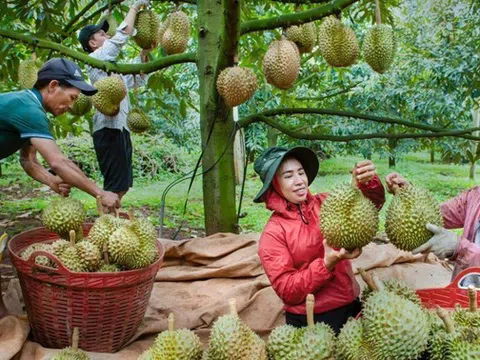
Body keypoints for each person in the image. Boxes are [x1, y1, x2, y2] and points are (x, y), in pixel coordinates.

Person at [0, 57, 120, 319]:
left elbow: (28, 160)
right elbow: (58, 161)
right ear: (53, 86)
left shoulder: (29, 108)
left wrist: (51, 181)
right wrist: (100, 192)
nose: (72, 105)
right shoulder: (29, 109)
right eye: (72, 97)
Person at [254, 146, 386, 334]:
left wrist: (365, 183)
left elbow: (368, 207)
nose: (299, 181)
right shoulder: (273, 234)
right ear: (275, 184)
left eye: (301, 172)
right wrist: (326, 264)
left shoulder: (326, 203)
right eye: (288, 176)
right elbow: (287, 290)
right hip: (311, 320)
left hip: (350, 305)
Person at [78, 0, 153, 206]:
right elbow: (121, 37)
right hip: (108, 131)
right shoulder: (96, 59)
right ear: (92, 44)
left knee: (124, 184)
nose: (107, 35)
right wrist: (135, 7)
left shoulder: (111, 69)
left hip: (120, 129)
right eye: (102, 34)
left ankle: (110, 220)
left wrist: (144, 54)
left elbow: (136, 80)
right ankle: (107, 224)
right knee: (114, 185)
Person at [385, 172, 480, 285]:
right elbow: (438, 215)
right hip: (463, 290)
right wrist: (410, 194)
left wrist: (460, 248)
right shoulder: (475, 196)